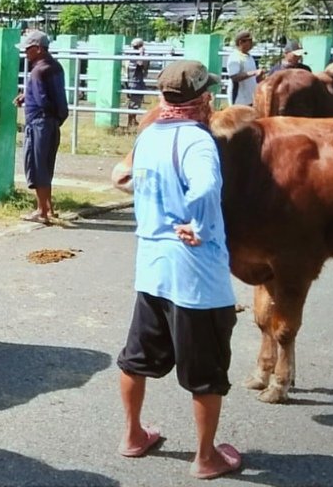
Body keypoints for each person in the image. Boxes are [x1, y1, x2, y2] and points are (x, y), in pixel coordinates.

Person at [117, 59, 242, 481]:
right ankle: (207, 458)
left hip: (152, 267)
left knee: (137, 357)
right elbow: (205, 186)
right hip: (195, 277)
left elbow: (126, 175)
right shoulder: (197, 141)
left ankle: (133, 435)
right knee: (206, 373)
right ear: (203, 99)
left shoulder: (150, 134)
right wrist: (199, 225)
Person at [13, 30, 69, 225]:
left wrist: (31, 101)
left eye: (28, 50)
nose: (25, 54)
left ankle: (41, 211)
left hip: (39, 123)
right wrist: (27, 96)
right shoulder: (55, 66)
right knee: (46, 164)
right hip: (53, 122)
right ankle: (49, 208)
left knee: (37, 166)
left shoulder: (38, 71)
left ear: (38, 49)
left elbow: (43, 100)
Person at [225, 31, 262, 106]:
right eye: (250, 41)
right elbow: (234, 77)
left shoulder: (249, 57)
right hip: (239, 99)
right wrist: (253, 73)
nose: (252, 44)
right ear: (241, 42)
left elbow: (253, 78)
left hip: (250, 98)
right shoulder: (234, 57)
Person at [124, 38, 150, 129]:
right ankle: (130, 122)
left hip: (135, 80)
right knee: (134, 102)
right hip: (134, 81)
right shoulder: (134, 55)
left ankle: (133, 120)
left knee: (135, 101)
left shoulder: (130, 54)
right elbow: (140, 63)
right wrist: (141, 53)